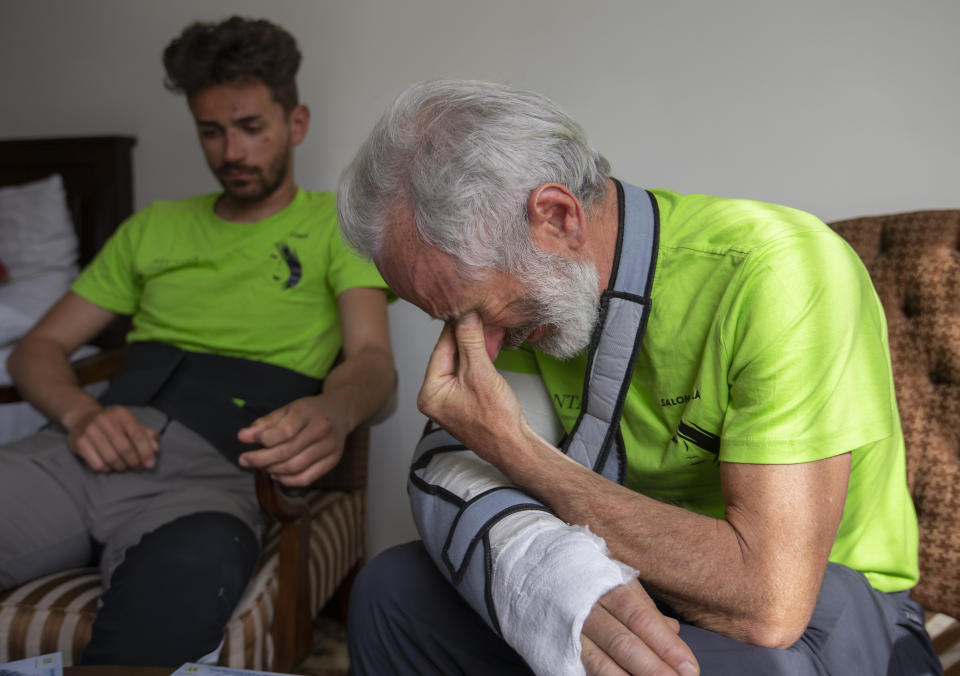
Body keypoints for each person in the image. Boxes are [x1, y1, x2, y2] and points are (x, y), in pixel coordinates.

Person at [336, 80, 941, 675]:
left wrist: (515, 449)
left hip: (833, 616)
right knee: (389, 593)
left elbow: (770, 605)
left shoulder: (780, 272)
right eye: (445, 320)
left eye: (472, 311)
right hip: (642, 575)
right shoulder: (532, 293)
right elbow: (454, 469)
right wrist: (557, 583)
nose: (479, 349)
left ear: (555, 218)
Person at [0, 16, 396, 667]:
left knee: (183, 587)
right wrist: (79, 414)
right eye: (211, 131)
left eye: (250, 128)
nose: (231, 152)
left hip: (214, 474)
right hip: (85, 449)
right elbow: (35, 350)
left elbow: (373, 362)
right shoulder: (153, 227)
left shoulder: (335, 225)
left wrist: (337, 409)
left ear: (295, 124)